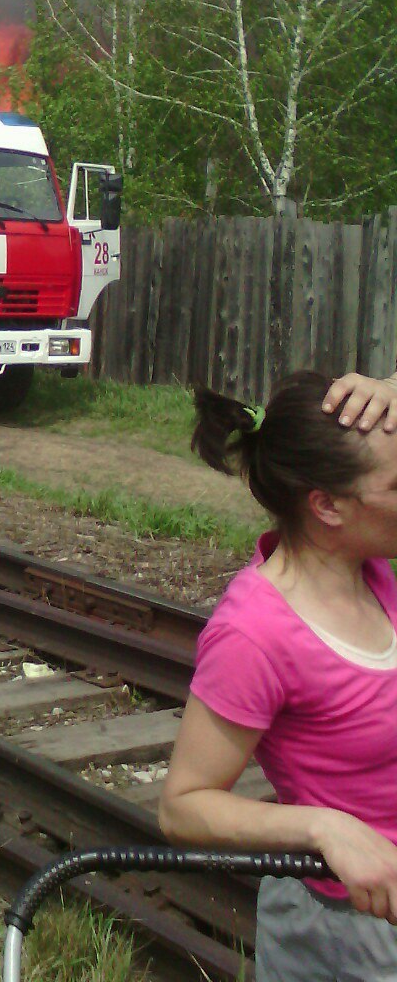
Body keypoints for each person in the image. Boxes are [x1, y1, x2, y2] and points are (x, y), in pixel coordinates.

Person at [160, 368, 397, 980]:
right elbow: (184, 807)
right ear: (327, 505)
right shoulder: (255, 633)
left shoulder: (372, 571)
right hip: (350, 931)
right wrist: (324, 827)